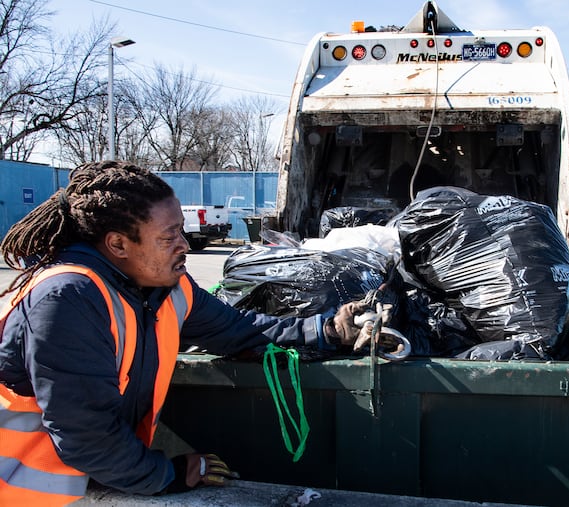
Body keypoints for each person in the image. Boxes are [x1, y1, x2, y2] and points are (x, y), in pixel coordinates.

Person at [0, 161, 368, 505]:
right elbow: (88, 438)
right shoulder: (67, 299)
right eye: (169, 235)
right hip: (24, 492)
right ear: (118, 245)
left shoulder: (164, 289)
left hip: (90, 486)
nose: (184, 245)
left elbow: (239, 331)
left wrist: (328, 330)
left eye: (182, 230)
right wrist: (168, 474)